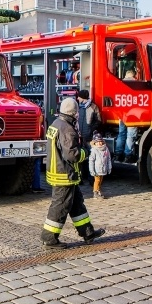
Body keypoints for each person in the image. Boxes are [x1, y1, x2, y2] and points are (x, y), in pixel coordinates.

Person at [41, 97, 105, 249]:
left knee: (77, 204)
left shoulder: (56, 124)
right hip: (65, 175)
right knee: (60, 207)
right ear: (73, 113)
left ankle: (87, 233)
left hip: (60, 173)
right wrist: (85, 152)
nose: (78, 116)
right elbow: (72, 154)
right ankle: (49, 238)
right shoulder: (67, 129)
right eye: (76, 113)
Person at [76, 89, 100, 183]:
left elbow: (98, 121)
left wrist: (91, 129)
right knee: (80, 158)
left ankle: (91, 178)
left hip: (89, 137)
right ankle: (81, 177)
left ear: (82, 97)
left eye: (79, 96)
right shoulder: (79, 107)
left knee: (91, 157)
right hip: (80, 137)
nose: (77, 98)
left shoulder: (93, 107)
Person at [88, 132, 112, 199]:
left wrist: (109, 167)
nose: (99, 143)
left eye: (100, 141)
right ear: (94, 143)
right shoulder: (94, 150)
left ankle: (98, 190)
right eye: (97, 142)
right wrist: (92, 170)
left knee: (100, 181)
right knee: (97, 180)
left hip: (103, 168)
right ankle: (95, 192)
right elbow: (91, 161)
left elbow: (108, 159)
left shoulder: (106, 149)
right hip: (96, 169)